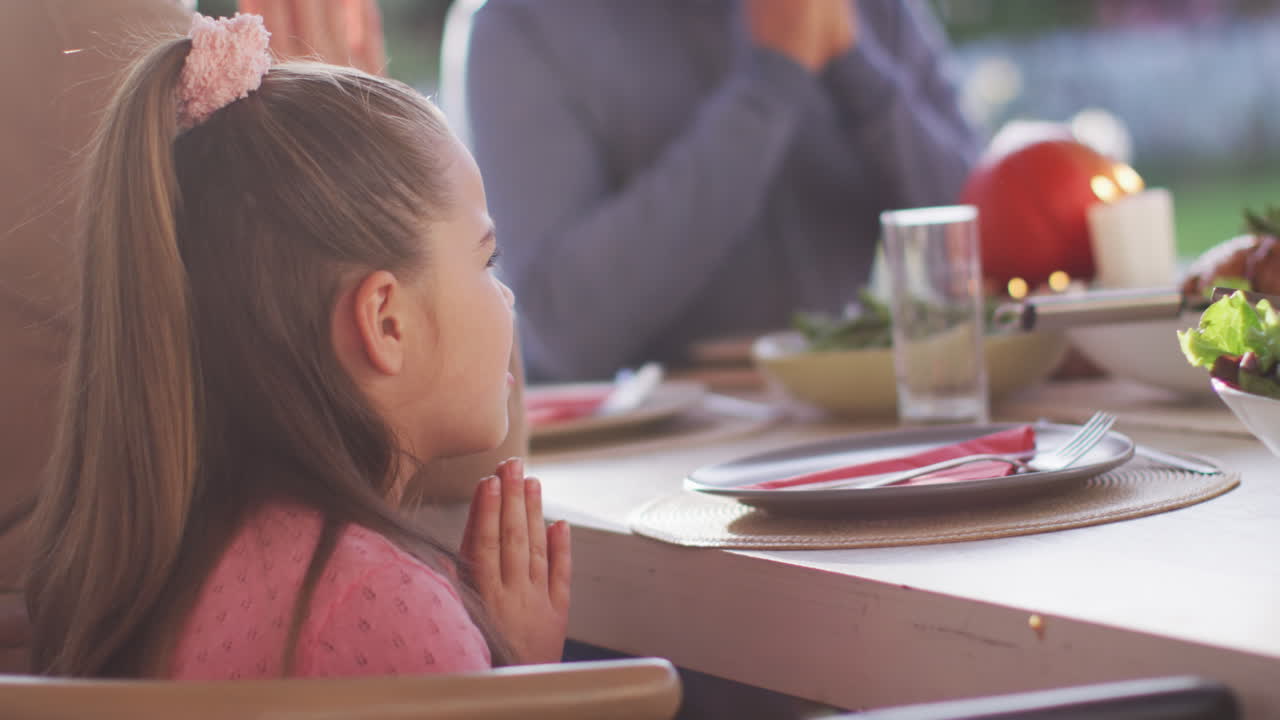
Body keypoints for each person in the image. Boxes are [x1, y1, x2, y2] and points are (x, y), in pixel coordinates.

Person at [25, 13, 569, 678]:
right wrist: (521, 683)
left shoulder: (172, 568)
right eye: (488, 261)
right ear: (386, 322)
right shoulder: (380, 611)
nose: (506, 296)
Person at [448, 0, 980, 381]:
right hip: (638, 468)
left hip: (866, 419)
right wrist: (773, 80)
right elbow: (565, 331)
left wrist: (854, 66)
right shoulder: (518, 25)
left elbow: (985, 247)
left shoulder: (878, 11)